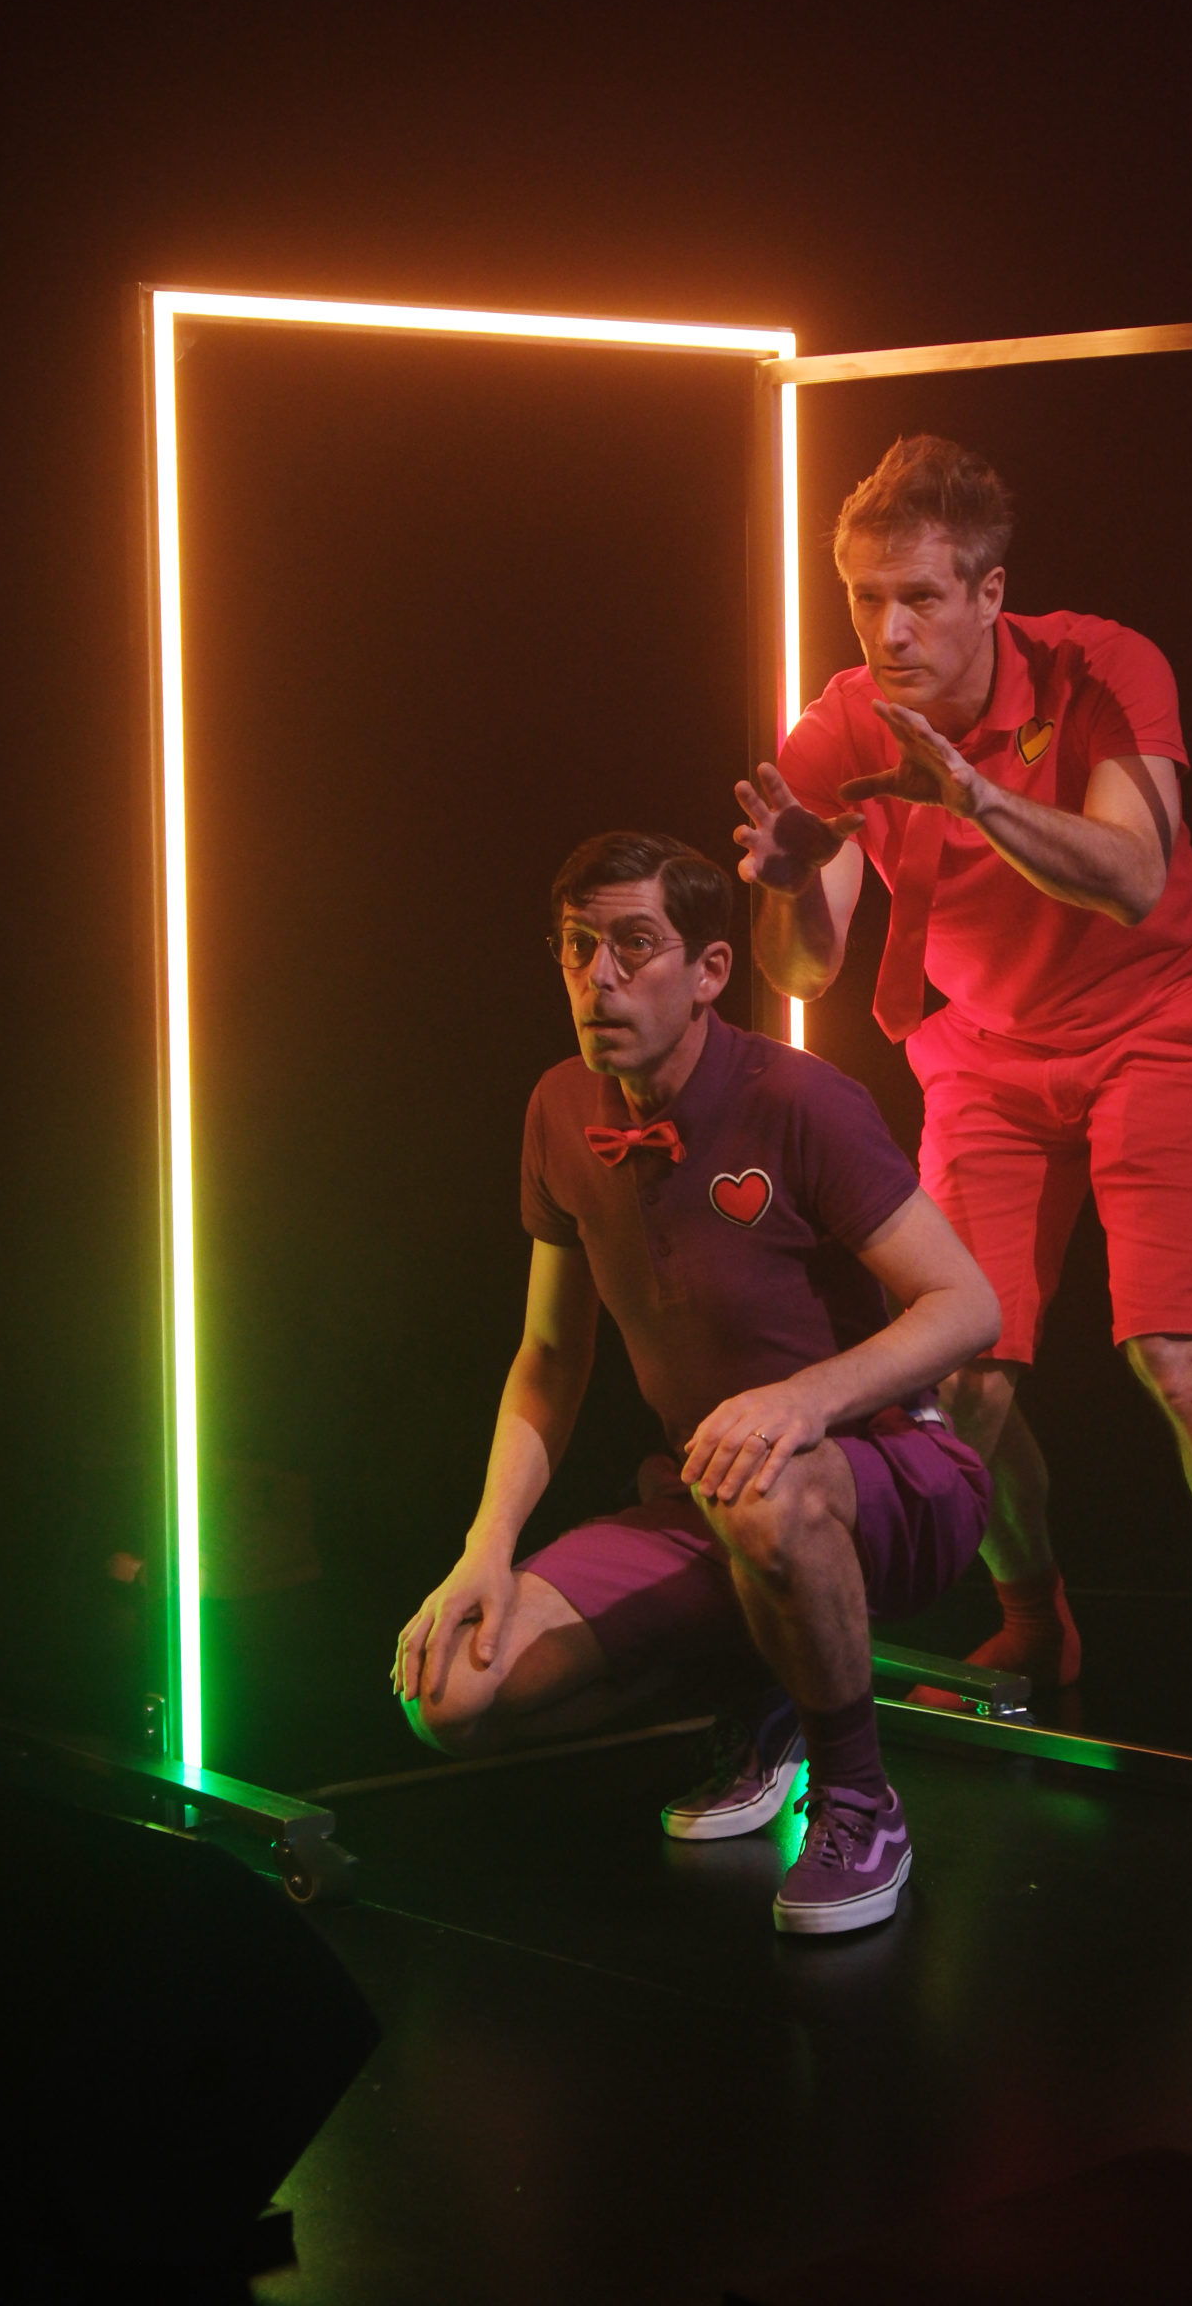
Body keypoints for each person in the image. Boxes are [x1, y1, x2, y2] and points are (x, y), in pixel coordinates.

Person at [737, 435, 1192, 1773]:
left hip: (1158, 1014)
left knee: (1174, 1348)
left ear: (989, 593)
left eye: (920, 597)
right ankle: (1036, 1622)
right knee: (958, 1373)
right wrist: (789, 877)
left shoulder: (1101, 669)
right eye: (865, 598)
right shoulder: (837, 730)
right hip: (984, 1051)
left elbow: (1130, 875)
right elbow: (804, 970)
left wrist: (977, 797)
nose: (889, 630)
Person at [393, 828, 1000, 1934]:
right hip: (710, 1497)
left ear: (711, 970)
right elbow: (549, 1356)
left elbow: (965, 1305)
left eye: (635, 945)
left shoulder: (799, 1099)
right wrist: (484, 1545)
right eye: (578, 947)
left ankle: (859, 1800)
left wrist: (804, 1399)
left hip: (889, 1479)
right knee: (452, 1693)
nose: (601, 977)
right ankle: (765, 1691)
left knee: (766, 1485)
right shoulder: (559, 1107)